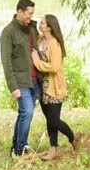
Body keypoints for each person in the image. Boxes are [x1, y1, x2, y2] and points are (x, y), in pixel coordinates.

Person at [32, 13, 77, 158]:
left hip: (53, 86)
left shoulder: (54, 44)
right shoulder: (40, 40)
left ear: (50, 27)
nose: (40, 25)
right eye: (41, 22)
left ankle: (73, 137)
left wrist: (37, 61)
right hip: (42, 86)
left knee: (54, 120)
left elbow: (55, 67)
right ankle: (53, 149)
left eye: (43, 23)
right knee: (49, 119)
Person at [0, 0, 38, 157]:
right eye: (28, 13)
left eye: (32, 13)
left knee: (23, 113)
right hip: (20, 81)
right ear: (19, 12)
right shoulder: (8, 32)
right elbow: (6, 62)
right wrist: (13, 86)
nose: (31, 16)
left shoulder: (32, 29)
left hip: (34, 80)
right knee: (27, 112)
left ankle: (17, 146)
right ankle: (20, 150)